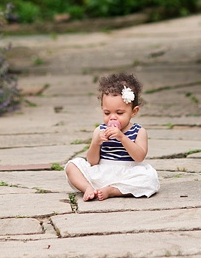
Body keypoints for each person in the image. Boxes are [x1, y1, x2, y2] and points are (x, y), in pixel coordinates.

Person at [66, 72, 160, 201]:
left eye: (119, 113)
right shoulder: (99, 130)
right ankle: (88, 188)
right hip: (102, 172)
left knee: (149, 178)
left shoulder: (138, 131)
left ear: (134, 111)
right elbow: (92, 162)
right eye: (107, 113)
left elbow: (139, 157)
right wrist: (96, 143)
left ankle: (113, 190)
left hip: (127, 172)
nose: (112, 117)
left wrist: (122, 138)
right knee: (72, 166)